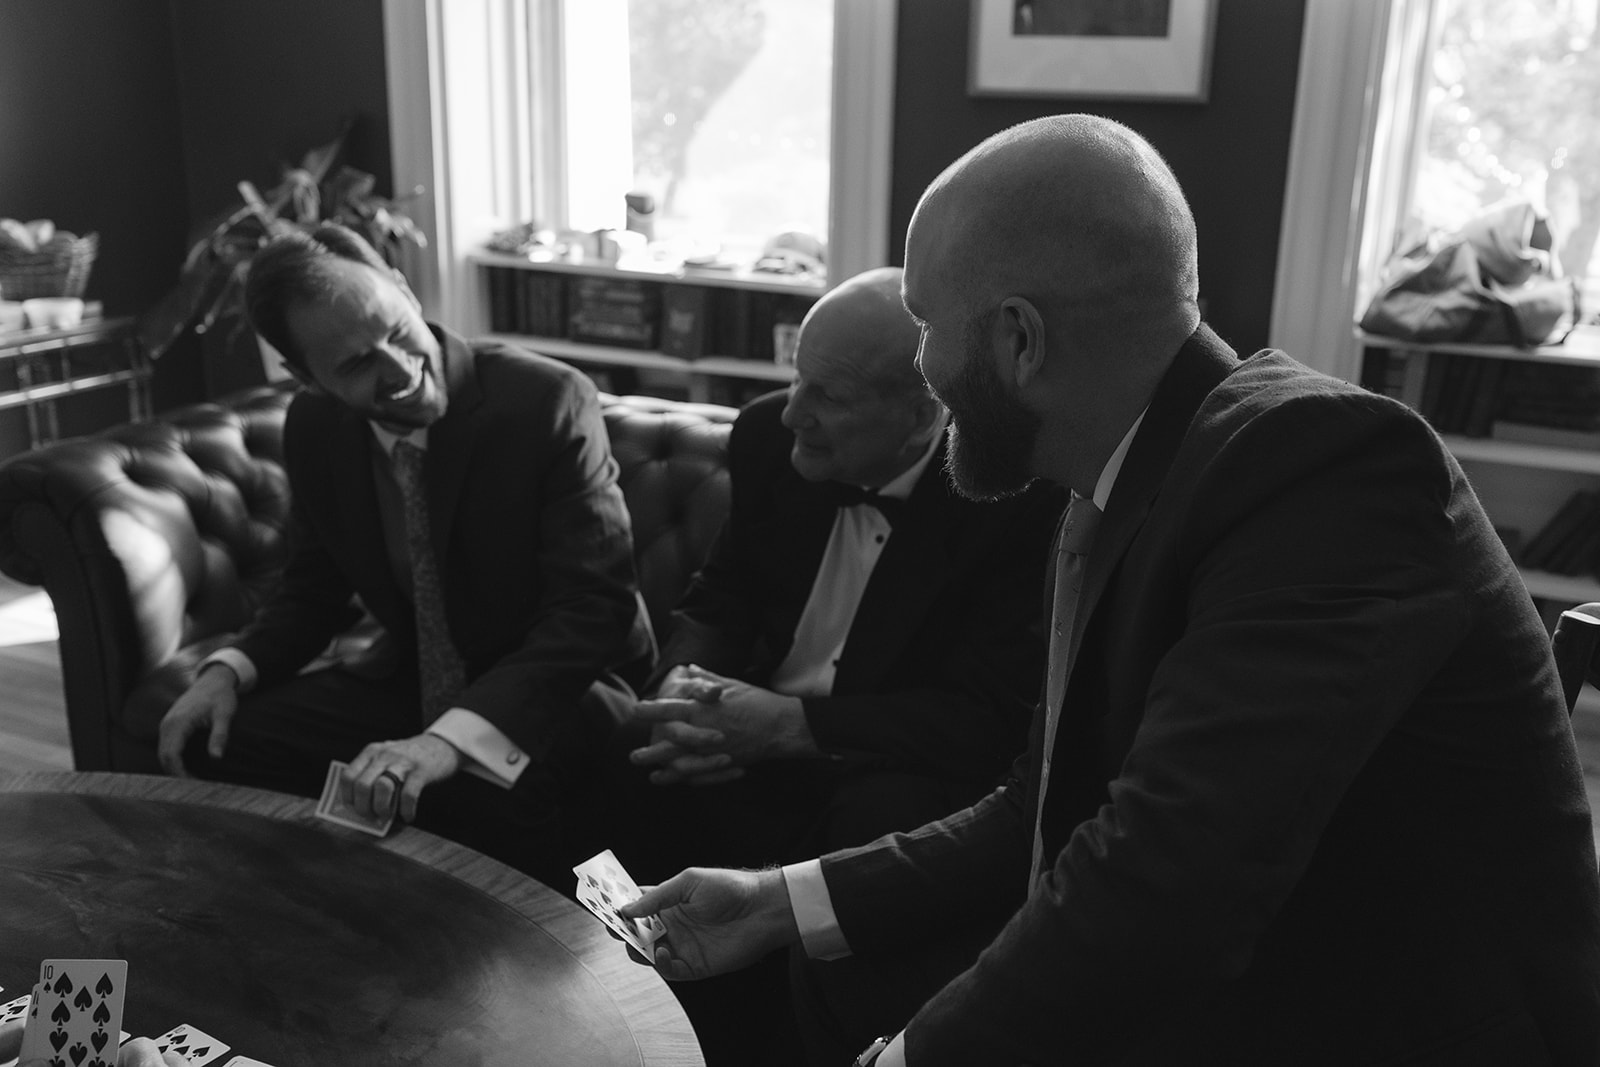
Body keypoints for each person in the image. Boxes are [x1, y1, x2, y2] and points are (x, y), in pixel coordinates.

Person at [622, 114, 1600, 1066]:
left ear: (1018, 340)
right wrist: (779, 899)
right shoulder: (1125, 480)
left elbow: (1173, 874)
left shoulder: (1321, 465)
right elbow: (1044, 800)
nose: (923, 369)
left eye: (925, 323)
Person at [593, 266, 1061, 1064]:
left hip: (877, 764)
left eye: (830, 395)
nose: (795, 413)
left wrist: (793, 728)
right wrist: (684, 686)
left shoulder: (1017, 504)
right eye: (796, 378)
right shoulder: (767, 439)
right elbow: (720, 598)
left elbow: (985, 719)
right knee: (621, 752)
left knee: (875, 817)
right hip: (745, 737)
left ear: (923, 416)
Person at [156, 223, 652, 890]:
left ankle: (543, 973)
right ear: (308, 377)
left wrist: (447, 740)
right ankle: (332, 918)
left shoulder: (546, 400)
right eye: (356, 365)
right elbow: (312, 588)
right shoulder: (313, 426)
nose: (398, 370)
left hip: (565, 683)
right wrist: (227, 672)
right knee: (224, 738)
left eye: (395, 330)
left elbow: (592, 606)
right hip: (417, 673)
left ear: (405, 291)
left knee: (483, 790)